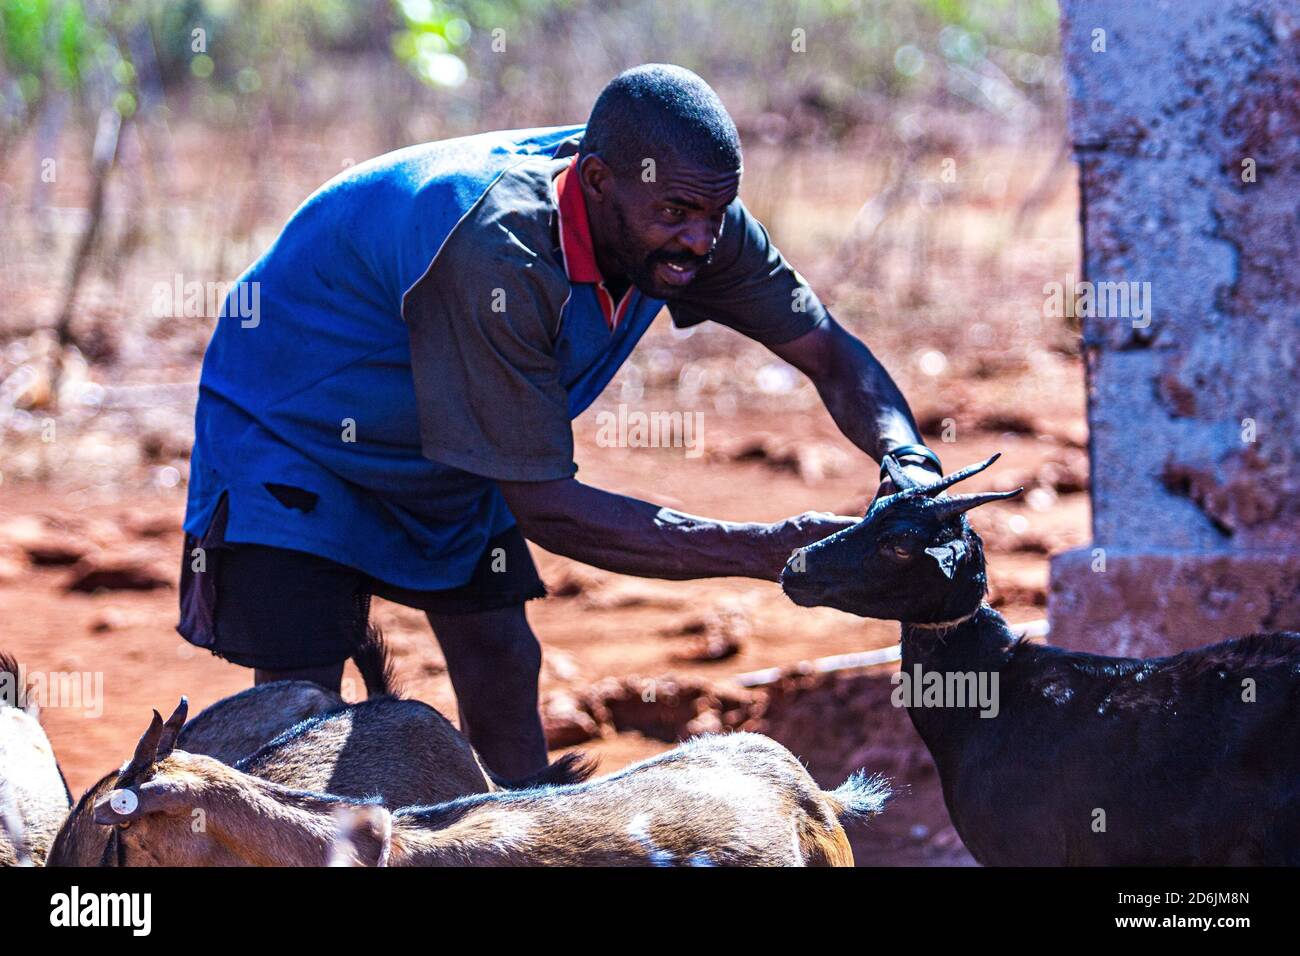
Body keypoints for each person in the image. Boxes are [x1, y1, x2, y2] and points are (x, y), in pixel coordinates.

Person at [178, 63, 942, 779]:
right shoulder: (497, 251)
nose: (701, 242)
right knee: (300, 717)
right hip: (295, 425)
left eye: (716, 213)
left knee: (502, 660)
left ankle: (521, 836)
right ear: (598, 182)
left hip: (445, 435)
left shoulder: (694, 216)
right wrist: (767, 550)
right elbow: (549, 508)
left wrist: (908, 460)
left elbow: (831, 356)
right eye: (677, 214)